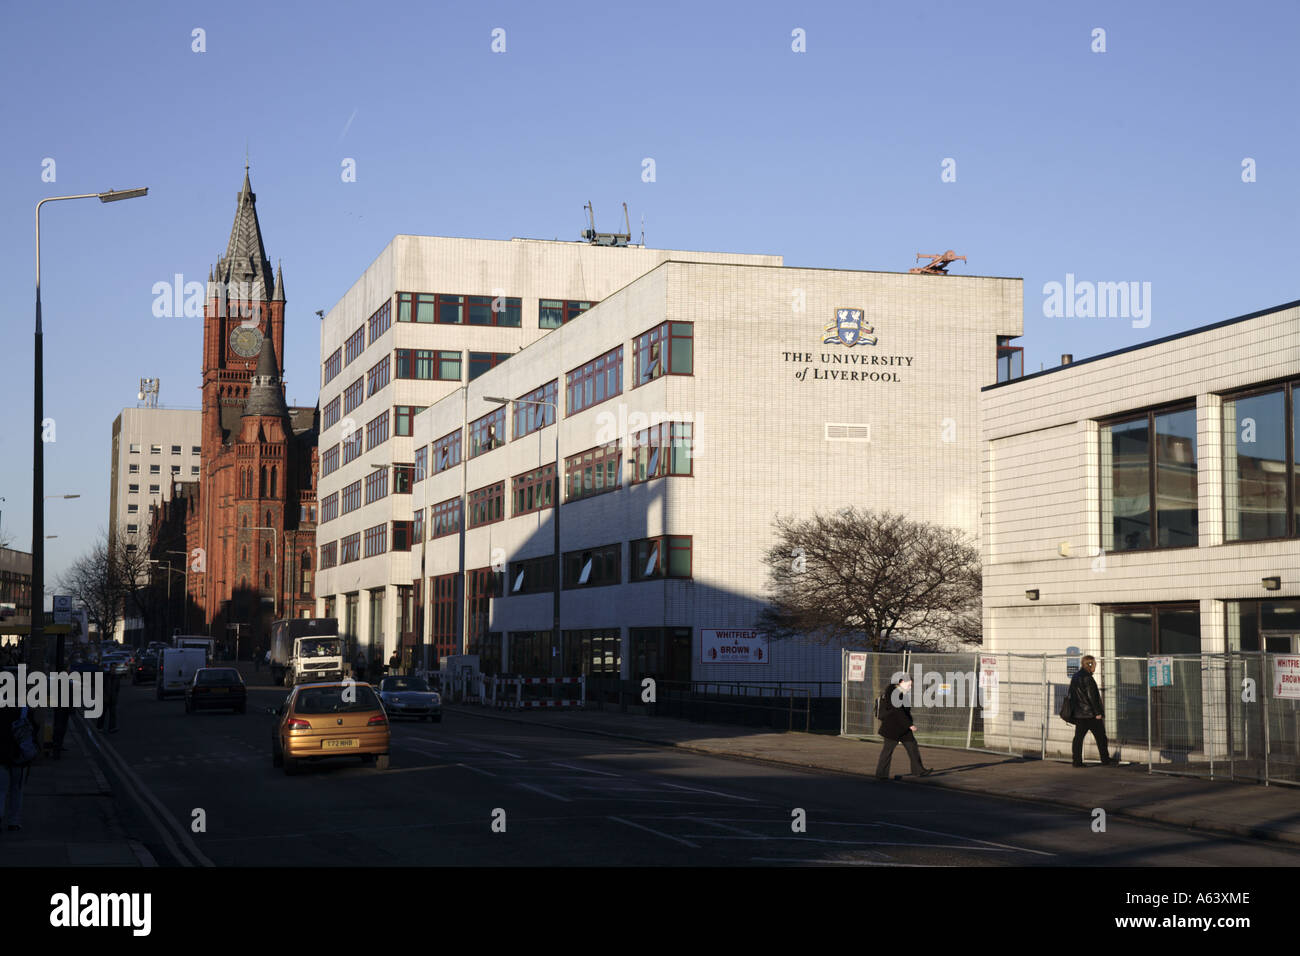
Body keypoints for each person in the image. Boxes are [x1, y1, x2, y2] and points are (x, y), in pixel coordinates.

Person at [874, 676, 932, 780]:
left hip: (902, 728)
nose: (910, 687)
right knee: (887, 751)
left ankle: (918, 770)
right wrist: (909, 725)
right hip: (892, 728)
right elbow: (898, 711)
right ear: (901, 682)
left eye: (911, 685)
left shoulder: (900, 692)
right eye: (909, 685)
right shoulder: (894, 693)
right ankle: (881, 774)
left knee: (913, 747)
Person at [0, 692, 41, 831]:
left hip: (1, 757)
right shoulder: (24, 709)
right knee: (17, 790)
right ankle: (14, 821)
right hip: (20, 756)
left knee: (1, 790)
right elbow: (35, 730)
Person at [1069, 655, 1117, 767]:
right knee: (1101, 738)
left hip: (1080, 714)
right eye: (1094, 664)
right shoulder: (1088, 678)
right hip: (1091, 715)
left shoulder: (1075, 676)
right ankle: (1105, 760)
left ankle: (1077, 761)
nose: (1095, 666)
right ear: (1090, 665)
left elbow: (1073, 696)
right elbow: (1092, 698)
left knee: (1078, 738)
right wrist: (1098, 713)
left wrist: (1075, 711)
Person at [97, 663, 121, 734]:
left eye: (115, 668)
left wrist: (115, 696)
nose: (113, 669)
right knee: (102, 714)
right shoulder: (105, 676)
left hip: (112, 698)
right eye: (112, 667)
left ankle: (112, 728)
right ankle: (99, 727)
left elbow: (117, 688)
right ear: (110, 668)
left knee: (113, 714)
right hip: (105, 698)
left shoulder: (117, 677)